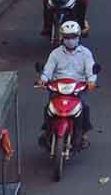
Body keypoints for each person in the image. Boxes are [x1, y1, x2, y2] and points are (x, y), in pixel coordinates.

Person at [37, 21, 97, 150]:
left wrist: (91, 81)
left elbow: (91, 70)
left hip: (77, 88)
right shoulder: (55, 54)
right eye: (67, 37)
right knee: (49, 108)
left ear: (78, 36)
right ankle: (47, 130)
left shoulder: (86, 53)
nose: (70, 40)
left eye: (73, 37)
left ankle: (84, 134)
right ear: (62, 37)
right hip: (57, 87)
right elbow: (48, 70)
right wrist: (43, 79)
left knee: (84, 107)